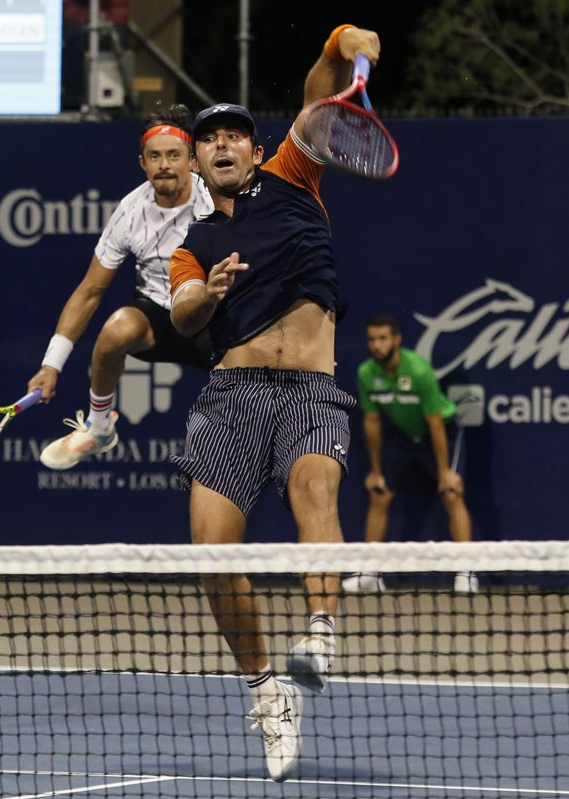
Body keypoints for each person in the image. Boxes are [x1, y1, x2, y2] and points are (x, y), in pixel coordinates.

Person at [167, 25, 381, 782]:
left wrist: (342, 41)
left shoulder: (293, 175)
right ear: (198, 163)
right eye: (209, 139)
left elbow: (320, 92)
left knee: (314, 486)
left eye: (234, 135)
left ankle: (319, 633)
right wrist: (208, 293)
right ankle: (266, 691)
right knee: (211, 555)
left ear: (257, 152)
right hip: (231, 397)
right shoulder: (191, 244)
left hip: (311, 391)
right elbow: (183, 313)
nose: (221, 144)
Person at [28, 104, 214, 469]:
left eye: (174, 155)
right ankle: (99, 428)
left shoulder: (214, 200)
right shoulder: (130, 211)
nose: (164, 165)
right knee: (115, 331)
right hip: (158, 318)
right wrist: (51, 365)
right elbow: (90, 292)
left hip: (211, 316)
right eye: (155, 156)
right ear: (142, 163)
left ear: (191, 160)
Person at [343, 312, 478, 594]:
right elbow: (371, 422)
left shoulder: (418, 370)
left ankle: (466, 572)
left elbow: (435, 422)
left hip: (440, 432)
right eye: (372, 340)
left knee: (452, 493)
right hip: (403, 437)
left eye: (383, 338)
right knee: (379, 493)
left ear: (397, 340)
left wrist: (444, 472)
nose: (376, 345)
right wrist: (376, 471)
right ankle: (370, 573)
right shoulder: (366, 373)